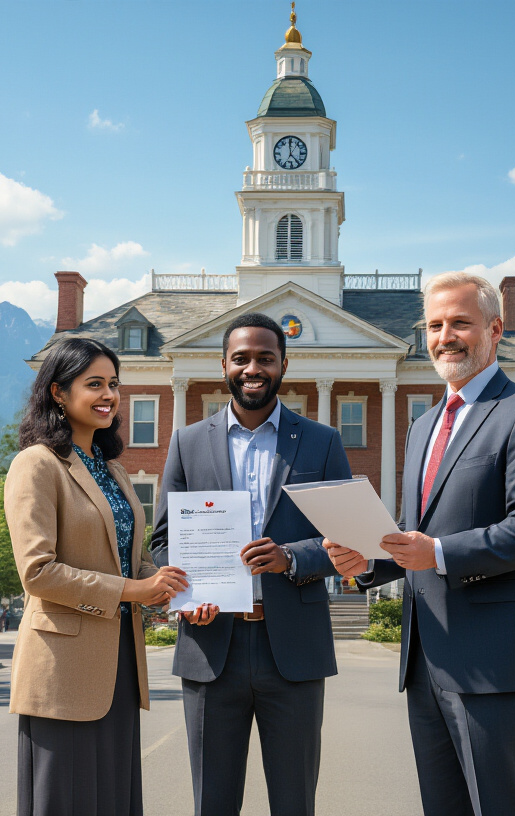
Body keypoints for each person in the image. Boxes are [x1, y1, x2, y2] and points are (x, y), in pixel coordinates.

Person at [325, 272, 515, 816]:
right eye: (434, 325)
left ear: (494, 329)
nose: (445, 336)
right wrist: (370, 561)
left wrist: (436, 553)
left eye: (460, 322)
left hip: (493, 663)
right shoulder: (424, 426)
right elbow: (416, 531)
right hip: (424, 660)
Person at [151, 313, 352, 816]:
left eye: (265, 357)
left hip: (294, 648)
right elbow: (162, 541)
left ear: (284, 364)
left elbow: (349, 539)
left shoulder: (321, 441)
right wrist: (184, 594)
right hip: (211, 644)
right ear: (224, 365)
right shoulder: (187, 442)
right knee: (213, 803)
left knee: (294, 802)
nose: (253, 368)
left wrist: (291, 557)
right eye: (241, 358)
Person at [5, 337, 189, 816]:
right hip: (63, 666)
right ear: (58, 393)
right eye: (94, 384)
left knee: (112, 795)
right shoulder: (36, 464)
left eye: (113, 384)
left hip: (121, 662)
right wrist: (134, 590)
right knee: (65, 800)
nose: (108, 394)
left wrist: (172, 586)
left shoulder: (114, 471)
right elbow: (38, 572)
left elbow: (132, 561)